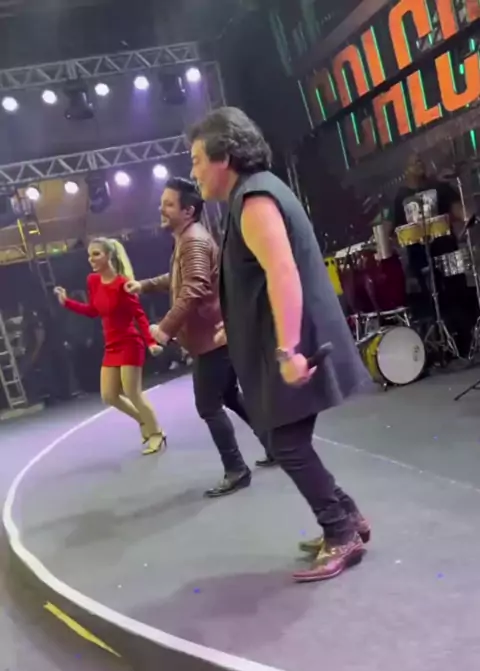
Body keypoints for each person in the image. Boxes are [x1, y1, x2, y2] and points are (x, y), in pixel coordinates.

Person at [188, 107, 372, 582]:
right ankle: (346, 517)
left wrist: (289, 350)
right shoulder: (252, 195)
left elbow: (283, 272)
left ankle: (341, 532)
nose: (194, 172)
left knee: (284, 442)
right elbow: (258, 279)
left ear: (224, 156)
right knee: (282, 439)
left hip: (295, 345)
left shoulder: (254, 201)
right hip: (284, 341)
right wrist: (236, 325)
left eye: (197, 160)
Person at [125, 176, 275, 498]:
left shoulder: (192, 240)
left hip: (212, 340)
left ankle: (236, 469)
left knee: (208, 405)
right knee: (229, 395)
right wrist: (145, 285)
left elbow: (193, 288)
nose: (161, 209)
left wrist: (164, 329)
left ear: (188, 210)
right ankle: (273, 445)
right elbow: (180, 278)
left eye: (168, 204)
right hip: (218, 335)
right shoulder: (189, 237)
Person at [54, 238, 166, 455]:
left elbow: (139, 315)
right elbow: (93, 311)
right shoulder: (93, 281)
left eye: (96, 254)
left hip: (130, 343)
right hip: (111, 345)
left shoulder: (123, 284)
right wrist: (67, 302)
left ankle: (156, 433)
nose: (91, 259)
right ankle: (143, 421)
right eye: (89, 255)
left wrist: (151, 342)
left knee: (133, 393)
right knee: (108, 395)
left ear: (109, 256)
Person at [392, 154, 475, 356]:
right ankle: (442, 343)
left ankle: (465, 341)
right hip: (420, 256)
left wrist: (466, 214)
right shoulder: (401, 196)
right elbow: (394, 228)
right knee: (433, 298)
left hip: (448, 250)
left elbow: (459, 210)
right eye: (414, 162)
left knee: (459, 292)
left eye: (421, 160)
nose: (419, 164)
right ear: (406, 169)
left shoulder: (439, 187)